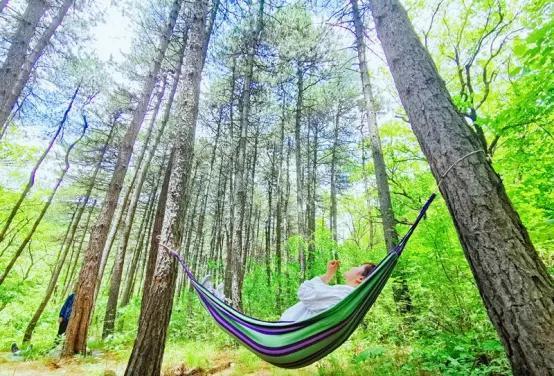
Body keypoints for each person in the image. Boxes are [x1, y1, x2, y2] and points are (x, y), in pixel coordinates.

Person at [280, 260, 376, 322]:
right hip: (285, 331)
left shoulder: (344, 296)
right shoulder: (344, 294)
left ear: (360, 278)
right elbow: (315, 294)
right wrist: (329, 274)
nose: (354, 266)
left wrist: (327, 276)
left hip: (285, 333)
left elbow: (304, 291)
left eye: (358, 266)